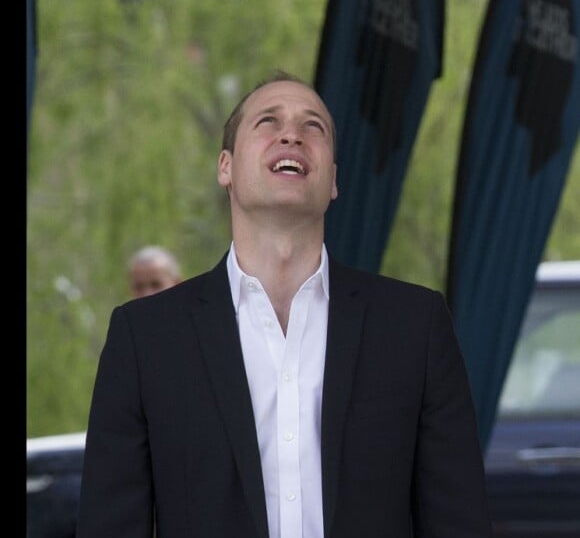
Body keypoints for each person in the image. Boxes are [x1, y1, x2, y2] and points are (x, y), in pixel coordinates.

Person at [77, 70, 493, 537]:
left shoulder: (415, 326)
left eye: (313, 126)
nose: (292, 134)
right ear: (226, 167)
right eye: (268, 122)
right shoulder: (145, 338)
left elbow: (459, 520)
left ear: (333, 180)